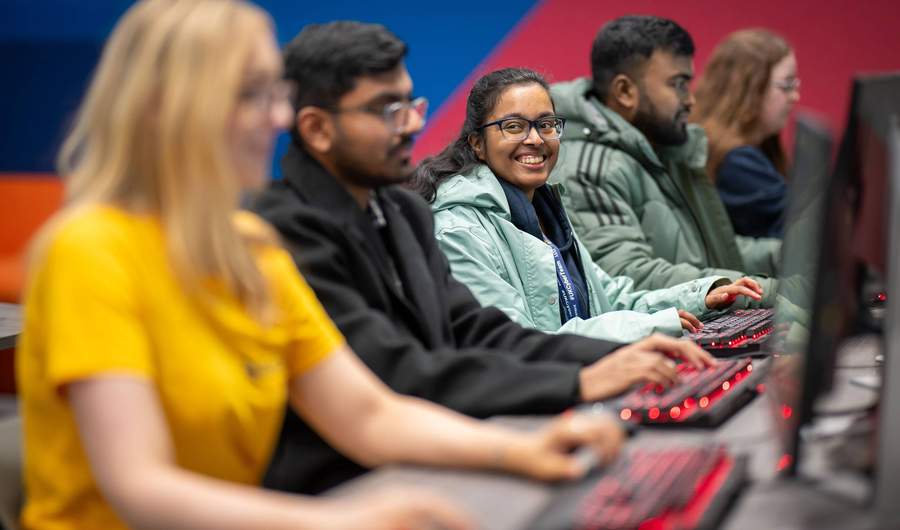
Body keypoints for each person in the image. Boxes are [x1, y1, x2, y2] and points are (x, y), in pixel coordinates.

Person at [16, 3, 630, 529]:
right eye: (251, 95)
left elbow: (368, 413)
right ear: (167, 108)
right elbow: (139, 486)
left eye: (275, 94)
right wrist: (339, 521)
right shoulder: (89, 250)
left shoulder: (249, 246)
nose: (281, 119)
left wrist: (522, 451)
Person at [254, 21, 714, 495]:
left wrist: (606, 359)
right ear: (316, 128)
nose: (413, 124)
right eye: (387, 110)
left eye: (411, 105)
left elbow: (480, 331)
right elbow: (396, 373)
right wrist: (576, 383)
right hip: (345, 488)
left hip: (423, 458)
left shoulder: (401, 210)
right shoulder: (281, 232)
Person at [414, 67, 763, 343]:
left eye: (546, 125)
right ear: (477, 143)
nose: (535, 139)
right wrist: (654, 326)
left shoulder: (544, 209)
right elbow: (518, 343)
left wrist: (701, 297)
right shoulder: (457, 230)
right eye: (514, 126)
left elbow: (608, 300)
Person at [549, 15, 781, 305]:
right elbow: (630, 275)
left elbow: (715, 252)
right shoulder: (588, 168)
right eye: (678, 84)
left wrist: (790, 255)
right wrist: (770, 291)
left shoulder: (660, 147)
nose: (690, 101)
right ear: (625, 92)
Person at [693, 29, 800, 238]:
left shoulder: (738, 150)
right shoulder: (736, 162)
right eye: (786, 85)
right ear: (749, 87)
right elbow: (800, 232)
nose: (795, 96)